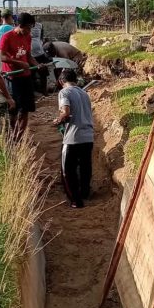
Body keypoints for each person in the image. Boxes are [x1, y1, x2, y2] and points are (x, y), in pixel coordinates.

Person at [53, 67, 94, 209]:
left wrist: (58, 120)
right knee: (85, 167)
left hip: (72, 138)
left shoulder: (64, 92)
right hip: (88, 136)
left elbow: (66, 112)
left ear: (61, 81)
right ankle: (85, 193)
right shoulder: (84, 93)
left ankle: (75, 201)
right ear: (75, 80)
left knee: (67, 171)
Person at [0, 12, 40, 141]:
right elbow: (1, 56)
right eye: (28, 28)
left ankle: (20, 137)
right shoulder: (7, 37)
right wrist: (18, 63)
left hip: (26, 77)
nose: (29, 31)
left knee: (25, 109)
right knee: (14, 109)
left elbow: (28, 56)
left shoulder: (28, 37)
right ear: (20, 25)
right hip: (12, 78)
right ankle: (13, 135)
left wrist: (37, 65)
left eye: (31, 28)